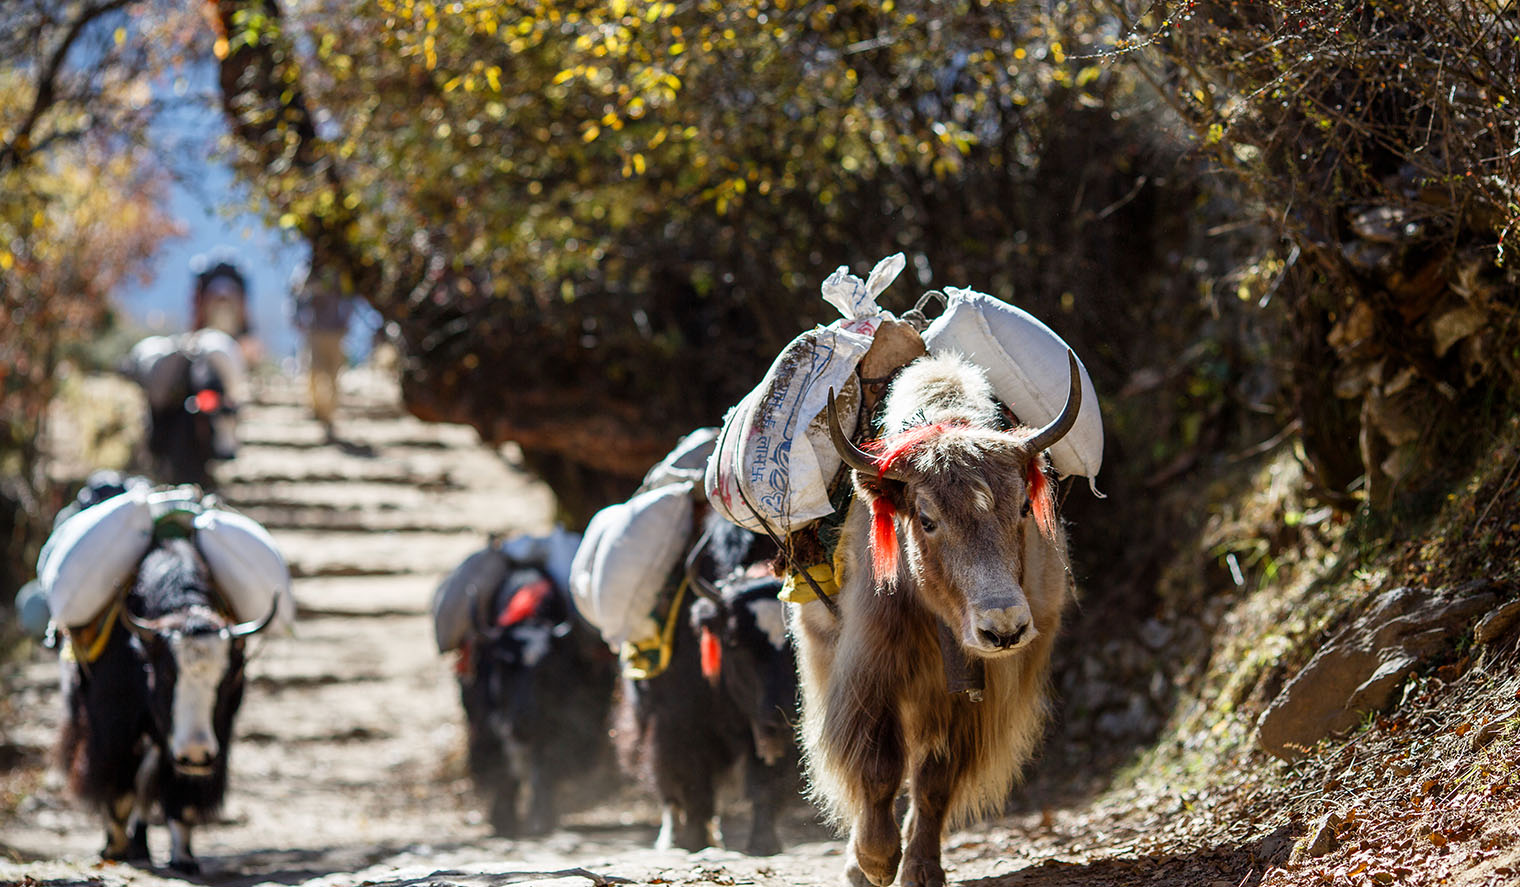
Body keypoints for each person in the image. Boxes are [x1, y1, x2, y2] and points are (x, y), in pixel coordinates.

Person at [291, 262, 354, 436]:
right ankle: (317, 409)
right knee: (315, 371)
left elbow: (348, 299)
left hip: (335, 331)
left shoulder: (338, 273)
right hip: (316, 331)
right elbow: (297, 295)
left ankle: (330, 412)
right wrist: (298, 319)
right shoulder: (306, 272)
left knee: (334, 372)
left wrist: (345, 322)